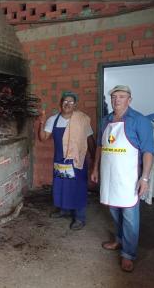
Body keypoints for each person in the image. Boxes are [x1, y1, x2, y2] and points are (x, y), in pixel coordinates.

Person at [91, 85, 154, 272]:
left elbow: (148, 152)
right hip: (110, 177)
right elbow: (100, 147)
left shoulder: (139, 121)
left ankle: (128, 254)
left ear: (129, 99)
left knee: (129, 217)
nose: (116, 100)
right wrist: (95, 168)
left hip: (129, 178)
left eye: (121, 96)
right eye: (113, 97)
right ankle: (119, 240)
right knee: (114, 211)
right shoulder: (106, 120)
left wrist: (144, 179)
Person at [38, 91, 95, 230]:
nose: (67, 104)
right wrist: (41, 122)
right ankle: (64, 211)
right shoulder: (53, 119)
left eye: (71, 102)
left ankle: (79, 218)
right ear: (60, 103)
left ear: (75, 105)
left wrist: (93, 157)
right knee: (62, 186)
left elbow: (90, 139)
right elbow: (43, 137)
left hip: (76, 160)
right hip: (61, 160)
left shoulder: (81, 120)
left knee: (78, 188)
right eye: (65, 101)